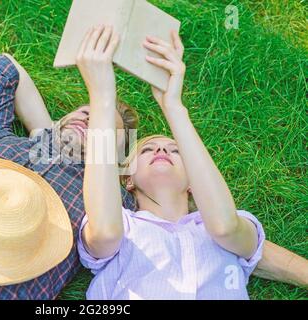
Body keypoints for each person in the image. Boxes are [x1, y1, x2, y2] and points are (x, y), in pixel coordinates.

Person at [0, 25, 306, 300]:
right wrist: (50, 133)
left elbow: (233, 238)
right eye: (82, 113)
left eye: (103, 126)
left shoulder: (113, 200)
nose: (88, 117)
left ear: (122, 163)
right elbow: (4, 67)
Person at [76, 25, 308, 299]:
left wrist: (173, 105)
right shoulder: (123, 227)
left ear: (193, 182)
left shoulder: (227, 226)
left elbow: (225, 226)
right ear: (128, 179)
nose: (162, 147)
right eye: (147, 149)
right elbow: (103, 232)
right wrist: (102, 98)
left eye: (176, 151)